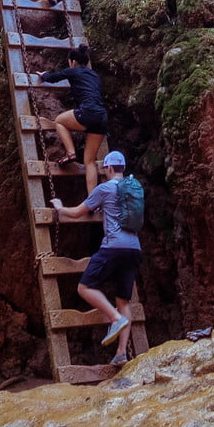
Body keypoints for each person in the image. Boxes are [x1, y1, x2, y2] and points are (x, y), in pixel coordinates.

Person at [51, 150, 143, 361]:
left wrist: (60, 208)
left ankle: (115, 318)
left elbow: (77, 212)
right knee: (123, 301)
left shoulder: (104, 189)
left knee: (85, 287)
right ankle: (121, 353)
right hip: (134, 249)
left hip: (113, 247)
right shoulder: (134, 187)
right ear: (123, 168)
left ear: (108, 168)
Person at [39, 43, 109, 189]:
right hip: (102, 117)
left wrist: (44, 75)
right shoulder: (95, 75)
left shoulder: (73, 71)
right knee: (89, 161)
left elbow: (53, 77)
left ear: (73, 61)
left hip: (88, 112)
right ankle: (92, 199)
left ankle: (70, 153)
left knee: (59, 121)